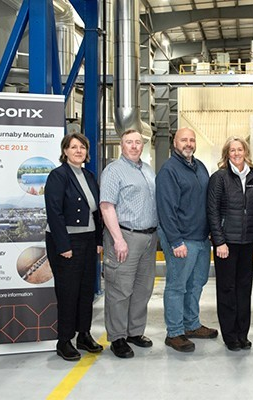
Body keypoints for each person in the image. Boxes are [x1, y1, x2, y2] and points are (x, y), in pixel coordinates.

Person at [157, 127, 218, 353]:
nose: (188, 143)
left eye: (192, 140)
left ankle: (191, 324)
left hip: (201, 238)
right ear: (175, 143)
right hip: (182, 239)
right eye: (184, 140)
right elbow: (166, 209)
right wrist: (175, 241)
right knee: (177, 286)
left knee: (196, 284)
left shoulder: (200, 167)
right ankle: (174, 332)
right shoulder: (169, 170)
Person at [44, 132, 103, 361]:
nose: (79, 151)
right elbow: (54, 212)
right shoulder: (58, 176)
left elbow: (96, 212)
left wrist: (98, 240)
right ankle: (64, 340)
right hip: (67, 241)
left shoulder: (88, 175)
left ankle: (83, 334)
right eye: (74, 147)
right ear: (65, 151)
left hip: (88, 240)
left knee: (86, 290)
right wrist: (63, 245)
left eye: (82, 147)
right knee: (68, 292)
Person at [99, 129, 158, 359]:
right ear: (122, 145)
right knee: (120, 289)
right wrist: (118, 239)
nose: (134, 146)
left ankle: (134, 332)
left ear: (143, 145)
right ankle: (117, 337)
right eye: (129, 142)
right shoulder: (114, 170)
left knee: (143, 289)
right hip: (125, 237)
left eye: (137, 142)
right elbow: (106, 206)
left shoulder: (148, 170)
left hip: (149, 238)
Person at [207, 137, 253, 351]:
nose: (236, 153)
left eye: (240, 149)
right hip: (227, 244)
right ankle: (230, 336)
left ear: (245, 152)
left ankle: (243, 334)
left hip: (247, 242)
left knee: (244, 289)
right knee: (226, 289)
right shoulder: (219, 178)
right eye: (232, 150)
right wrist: (219, 241)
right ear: (227, 154)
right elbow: (212, 212)